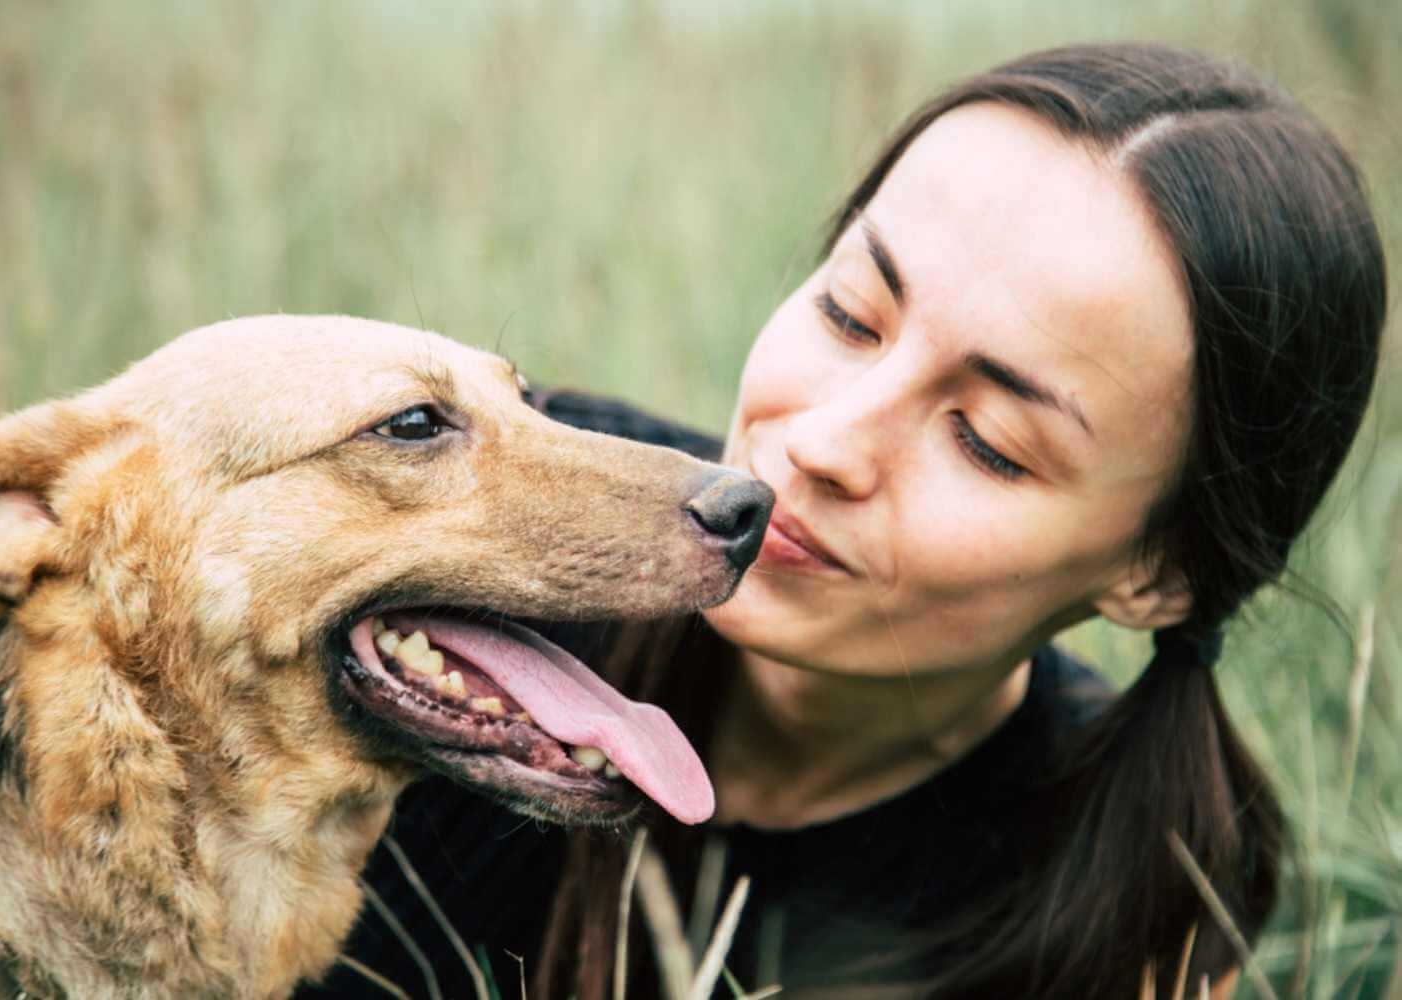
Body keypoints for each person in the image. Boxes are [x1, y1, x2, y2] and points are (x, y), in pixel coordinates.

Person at [298, 41, 1386, 1000]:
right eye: (848, 313)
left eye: (989, 441)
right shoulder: (461, 508)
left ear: (1160, 572)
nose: (822, 441)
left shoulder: (1144, 907)